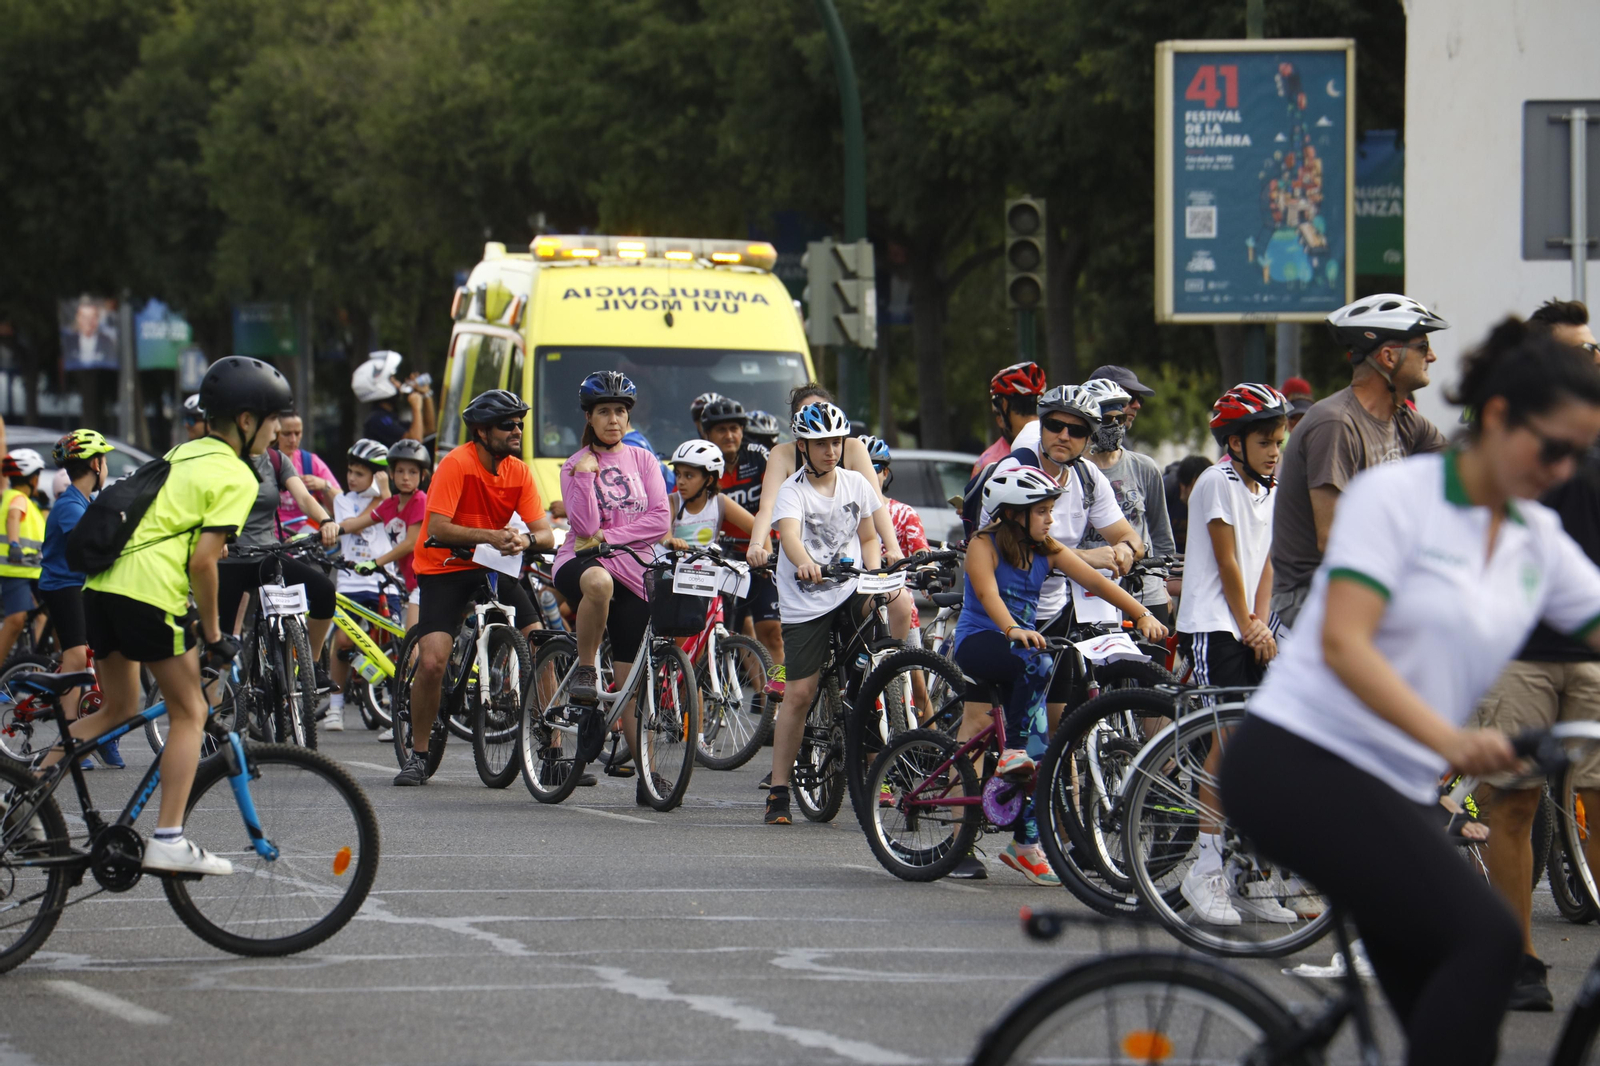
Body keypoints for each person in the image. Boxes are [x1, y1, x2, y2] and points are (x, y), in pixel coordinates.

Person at [1222, 321, 1600, 1066]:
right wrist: (1452, 739)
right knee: (1490, 941)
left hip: (1391, 788)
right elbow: (1344, 641)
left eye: (1579, 455)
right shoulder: (1399, 498)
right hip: (1300, 764)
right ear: (1497, 418)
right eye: (1553, 448)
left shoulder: (1536, 539)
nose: (1563, 470)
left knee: (1452, 1016)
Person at [71, 356, 286, 874]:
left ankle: (23, 794)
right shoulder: (236, 475)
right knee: (190, 713)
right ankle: (168, 837)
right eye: (273, 418)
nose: (277, 430)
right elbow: (202, 561)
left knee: (116, 709)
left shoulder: (183, 452)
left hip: (100, 588)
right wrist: (214, 634)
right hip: (148, 593)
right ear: (245, 420)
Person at [1470, 299, 1600, 1011]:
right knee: (1511, 806)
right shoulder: (1499, 428)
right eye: (1573, 350)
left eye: (1593, 350)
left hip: (1593, 656)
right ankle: (1518, 961)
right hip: (1515, 653)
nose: (1588, 362)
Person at [955, 466, 1167, 882]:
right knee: (1039, 666)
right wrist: (1013, 628)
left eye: (1052, 510)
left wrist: (1140, 613)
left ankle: (1025, 845)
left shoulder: (1045, 548)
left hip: (1022, 647)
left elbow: (1096, 580)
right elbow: (987, 594)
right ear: (1014, 513)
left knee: (1041, 753)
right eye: (1044, 511)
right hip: (982, 640)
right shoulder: (984, 544)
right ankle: (1010, 752)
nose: (1052, 519)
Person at [1174, 384, 1291, 925]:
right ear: (1235, 442)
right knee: (1230, 741)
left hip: (1249, 626)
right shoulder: (1215, 483)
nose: (1275, 450)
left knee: (1264, 751)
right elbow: (1227, 564)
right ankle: (1205, 868)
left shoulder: (1271, 486)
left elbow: (1267, 561)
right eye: (1265, 441)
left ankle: (1248, 876)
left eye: (1280, 441)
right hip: (1213, 625)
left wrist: (1262, 626)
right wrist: (1245, 624)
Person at [403, 388, 555, 786]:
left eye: (520, 423)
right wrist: (489, 535)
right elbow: (436, 527)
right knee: (434, 661)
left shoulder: (519, 472)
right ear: (483, 432)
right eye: (508, 424)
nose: (517, 430)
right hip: (444, 565)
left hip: (492, 566)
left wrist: (525, 541)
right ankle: (418, 754)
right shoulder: (456, 464)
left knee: (540, 644)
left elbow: (545, 535)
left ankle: (553, 752)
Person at [1271, 294, 1451, 628]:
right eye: (1422, 346)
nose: (1432, 356)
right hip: (1313, 593)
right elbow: (1333, 538)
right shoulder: (1336, 423)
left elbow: (1465, 473)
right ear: (1387, 356)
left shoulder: (1403, 421)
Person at [549, 373, 669, 800]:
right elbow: (582, 530)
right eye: (604, 412)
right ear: (590, 417)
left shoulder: (643, 461)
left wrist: (611, 537)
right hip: (581, 564)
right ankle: (584, 669)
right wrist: (583, 478)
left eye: (620, 411)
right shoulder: (574, 464)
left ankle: (649, 779)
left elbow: (661, 520)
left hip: (635, 572)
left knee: (629, 685)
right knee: (597, 582)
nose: (614, 420)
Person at [765, 401, 882, 826]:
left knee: (871, 674)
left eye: (836, 442)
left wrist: (874, 574)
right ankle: (779, 790)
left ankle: (880, 768)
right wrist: (804, 562)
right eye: (820, 444)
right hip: (805, 598)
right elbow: (790, 538)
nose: (830, 450)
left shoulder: (855, 483)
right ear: (803, 447)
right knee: (799, 693)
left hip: (847, 588)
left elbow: (869, 537)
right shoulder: (793, 490)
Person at [747, 383, 905, 700]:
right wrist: (757, 544)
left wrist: (894, 550)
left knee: (897, 601)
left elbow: (876, 507)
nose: (829, 445)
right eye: (809, 416)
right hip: (806, 566)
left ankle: (891, 676)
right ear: (798, 431)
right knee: (802, 678)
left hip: (852, 563)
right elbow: (768, 507)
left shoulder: (854, 450)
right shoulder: (782, 455)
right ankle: (797, 679)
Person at [213, 408, 337, 684]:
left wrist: (326, 520)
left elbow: (304, 498)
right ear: (250, 425)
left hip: (268, 556)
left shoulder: (276, 461)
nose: (280, 433)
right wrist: (214, 538)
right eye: (273, 424)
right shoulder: (224, 461)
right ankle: (211, 715)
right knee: (219, 649)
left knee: (325, 591)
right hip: (230, 559)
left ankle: (312, 668)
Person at [38, 431, 120, 768]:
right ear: (94, 463)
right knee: (75, 658)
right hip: (63, 587)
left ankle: (99, 734)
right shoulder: (70, 506)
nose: (106, 466)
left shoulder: (83, 502)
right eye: (104, 460)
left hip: (81, 586)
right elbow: (92, 546)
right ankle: (70, 736)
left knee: (101, 656)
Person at [700, 397, 783, 692]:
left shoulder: (758, 456)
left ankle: (778, 696)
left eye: (735, 428)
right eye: (721, 430)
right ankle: (751, 693)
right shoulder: (701, 464)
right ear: (706, 434)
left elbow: (775, 501)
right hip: (723, 556)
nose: (730, 435)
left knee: (771, 633)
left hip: (762, 553)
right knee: (726, 631)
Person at [1079, 378, 1177, 625]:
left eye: (1119, 420)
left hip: (1145, 590)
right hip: (1089, 593)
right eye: (1106, 420)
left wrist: (1162, 583)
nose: (1114, 426)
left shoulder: (1144, 467)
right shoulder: (1074, 471)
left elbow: (1160, 532)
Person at [317, 439, 394, 733]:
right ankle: (336, 708)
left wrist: (385, 493)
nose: (351, 478)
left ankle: (391, 707)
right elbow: (352, 525)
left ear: (376, 475)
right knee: (344, 643)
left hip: (383, 581)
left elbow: (394, 520)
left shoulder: (390, 497)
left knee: (391, 649)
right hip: (351, 582)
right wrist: (380, 497)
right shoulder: (343, 500)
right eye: (350, 471)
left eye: (360, 473)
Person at [337, 439, 429, 634]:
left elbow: (410, 543)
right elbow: (356, 524)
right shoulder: (391, 503)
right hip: (413, 584)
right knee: (410, 649)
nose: (405, 477)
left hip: (428, 581)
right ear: (391, 474)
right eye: (400, 471)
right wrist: (324, 531)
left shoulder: (420, 500)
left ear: (423, 476)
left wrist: (376, 563)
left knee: (412, 649)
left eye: (412, 472)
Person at [664, 439, 752, 552]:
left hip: (706, 567)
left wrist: (765, 564)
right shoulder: (671, 501)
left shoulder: (719, 502)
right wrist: (669, 541)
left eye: (689, 476)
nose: (680, 481)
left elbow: (758, 529)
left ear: (709, 480)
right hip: (670, 567)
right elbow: (662, 531)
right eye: (678, 474)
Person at [0, 449, 45, 666]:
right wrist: (15, 543)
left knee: (45, 615)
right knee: (16, 620)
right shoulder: (17, 499)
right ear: (33, 477)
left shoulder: (28, 502)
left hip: (32, 570)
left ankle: (32, 662)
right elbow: (13, 517)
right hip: (16, 570)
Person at [973, 362, 1047, 475]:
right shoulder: (989, 464)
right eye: (1022, 411)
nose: (1034, 421)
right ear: (1000, 420)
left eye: (1038, 411)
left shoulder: (1056, 453)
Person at [275, 411, 340, 537]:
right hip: (270, 539)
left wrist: (324, 485)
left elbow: (344, 505)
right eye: (286, 434)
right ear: (275, 432)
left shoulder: (310, 462)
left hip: (305, 538)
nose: (293, 439)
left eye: (297, 433)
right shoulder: (265, 461)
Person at [352, 350, 435, 447]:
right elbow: (415, 442)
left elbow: (429, 430)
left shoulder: (390, 417)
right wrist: (416, 408)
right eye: (393, 379)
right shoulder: (377, 420)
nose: (398, 384)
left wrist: (426, 395)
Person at [1086, 364, 1156, 431]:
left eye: (1139, 399)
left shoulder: (1119, 442)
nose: (1137, 405)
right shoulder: (1077, 439)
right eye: (1128, 396)